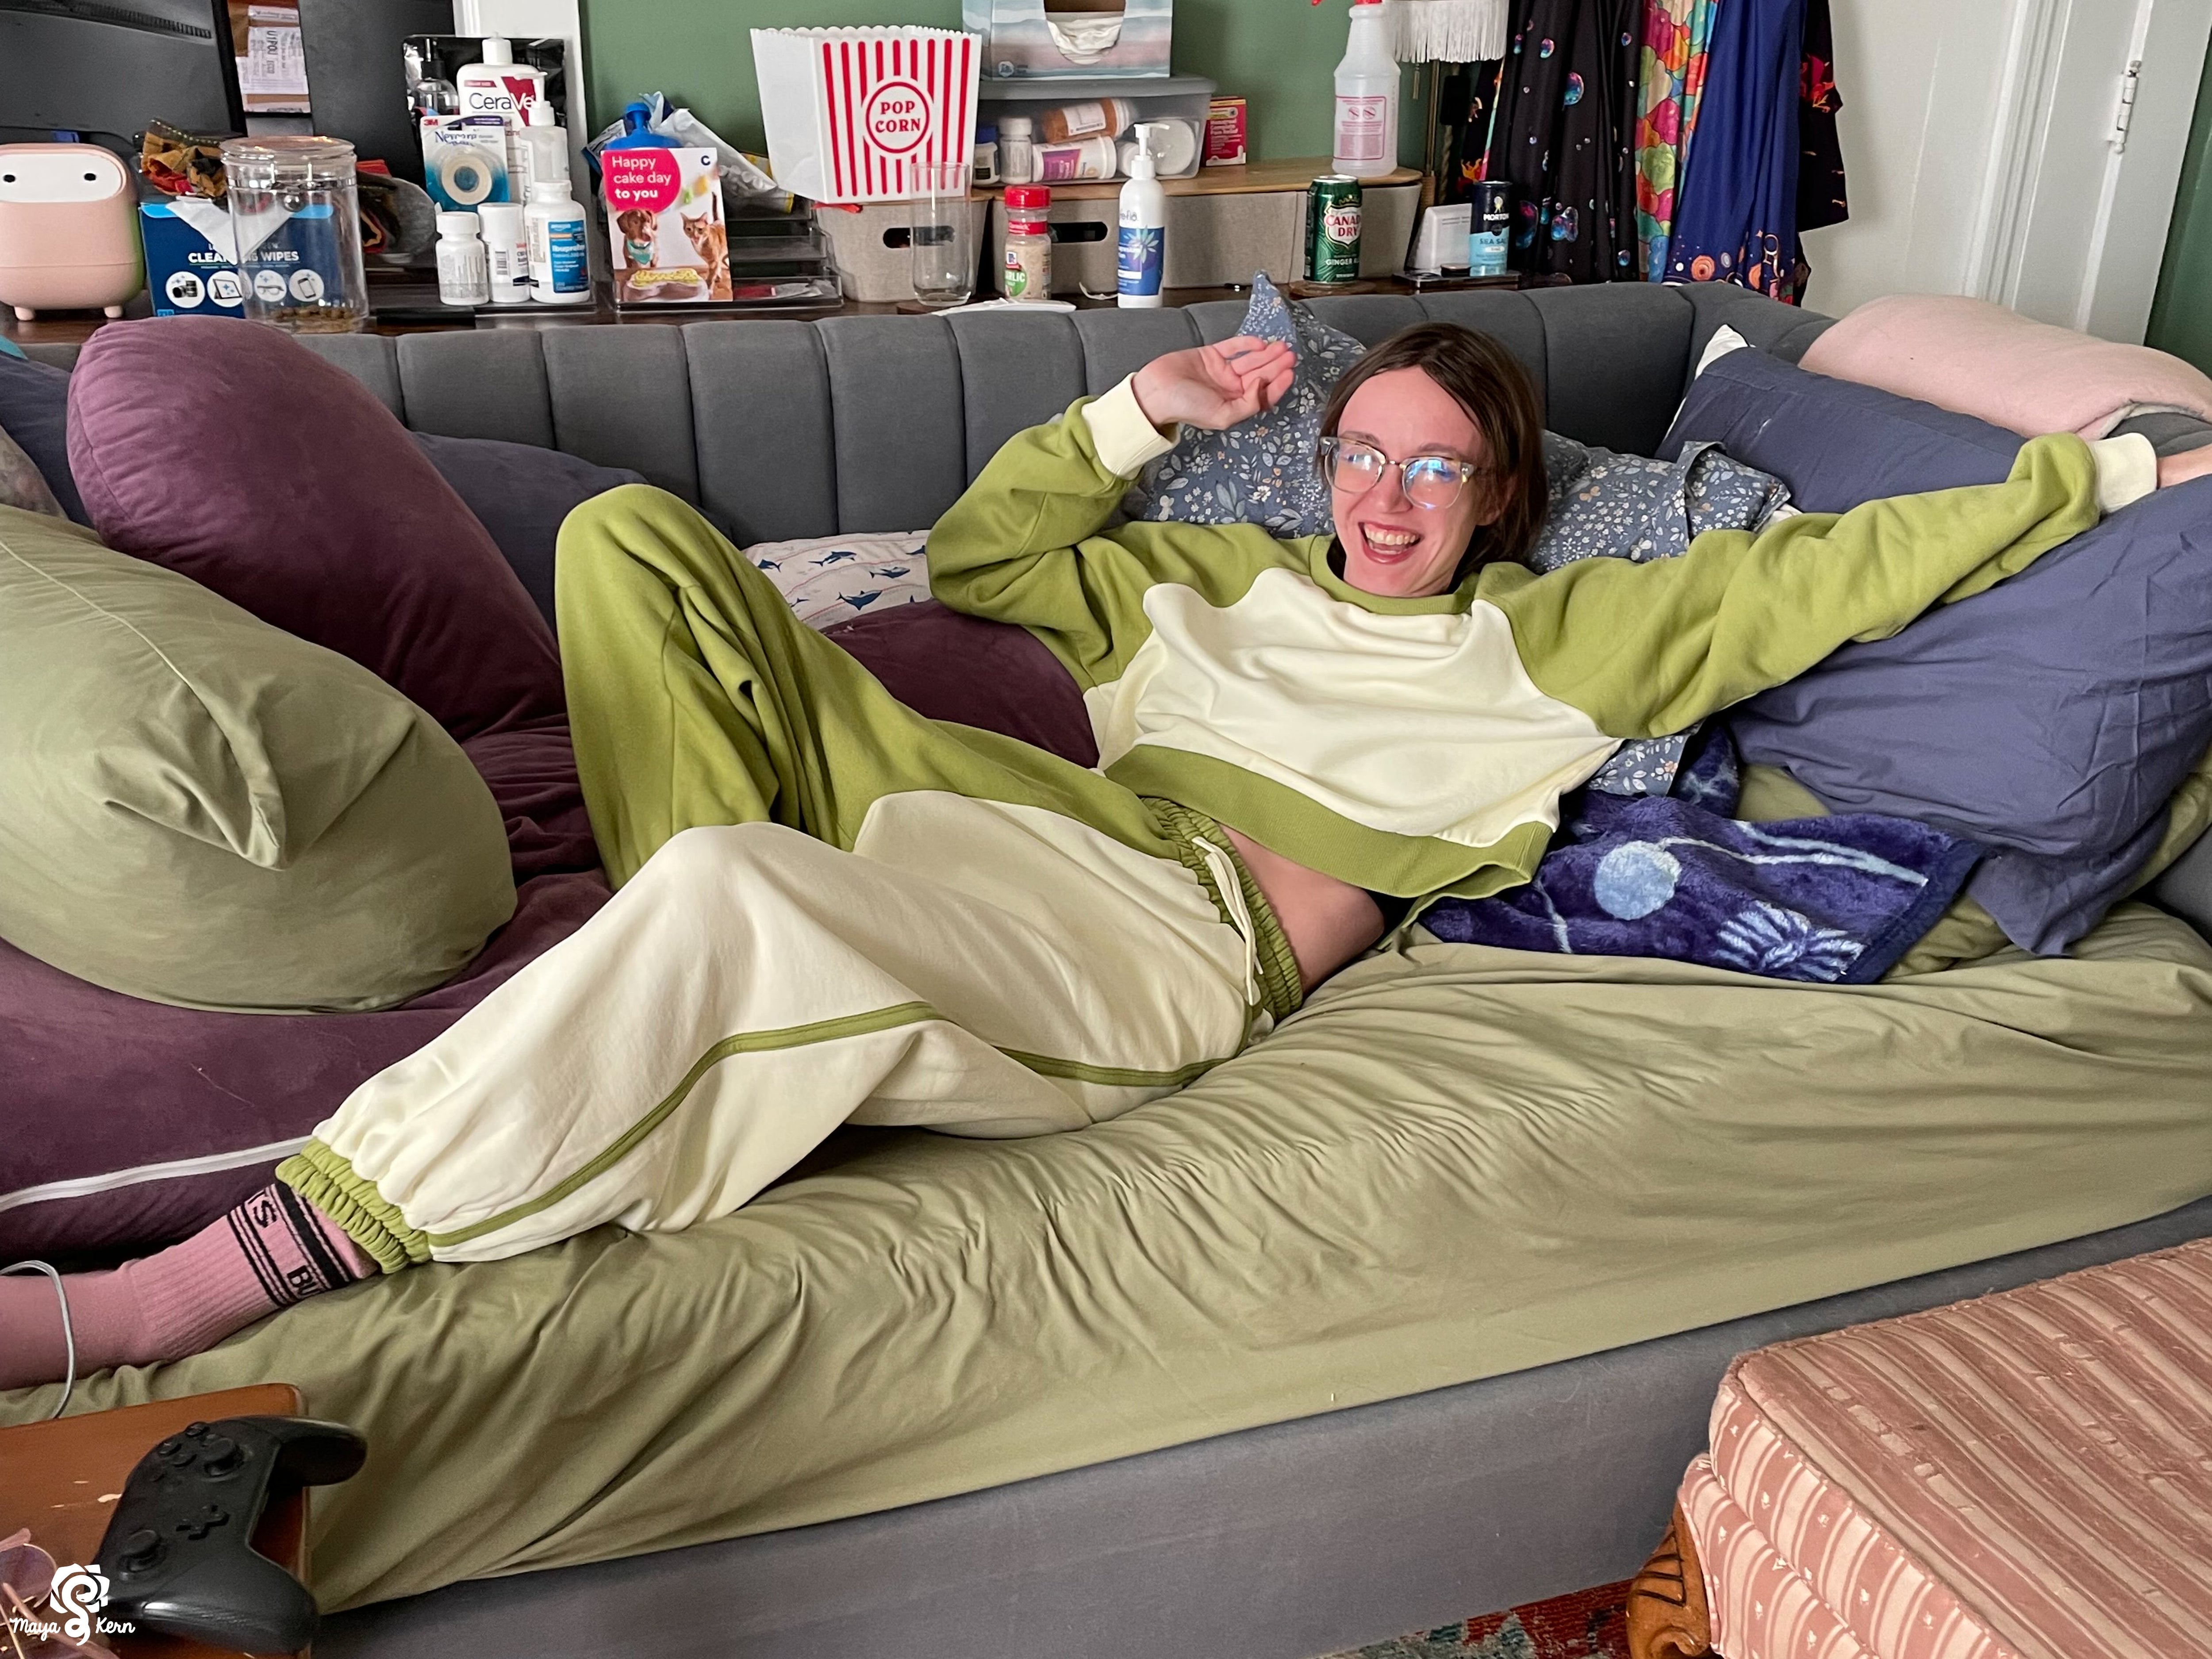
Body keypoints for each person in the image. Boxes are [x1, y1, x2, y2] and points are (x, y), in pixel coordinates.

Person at [0, 322, 2183, 1391]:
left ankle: (175, 1290)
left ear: (1503, 496)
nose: (1382, 498)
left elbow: (1839, 568)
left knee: (741, 901)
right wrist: (1143, 410)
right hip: (1004, 820)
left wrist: (2091, 477)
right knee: (630, 541)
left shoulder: (1577, 634)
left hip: (1179, 938)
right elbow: (984, 557)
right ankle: (682, 963)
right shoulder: (1204, 572)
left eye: (1434, 469)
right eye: (1359, 453)